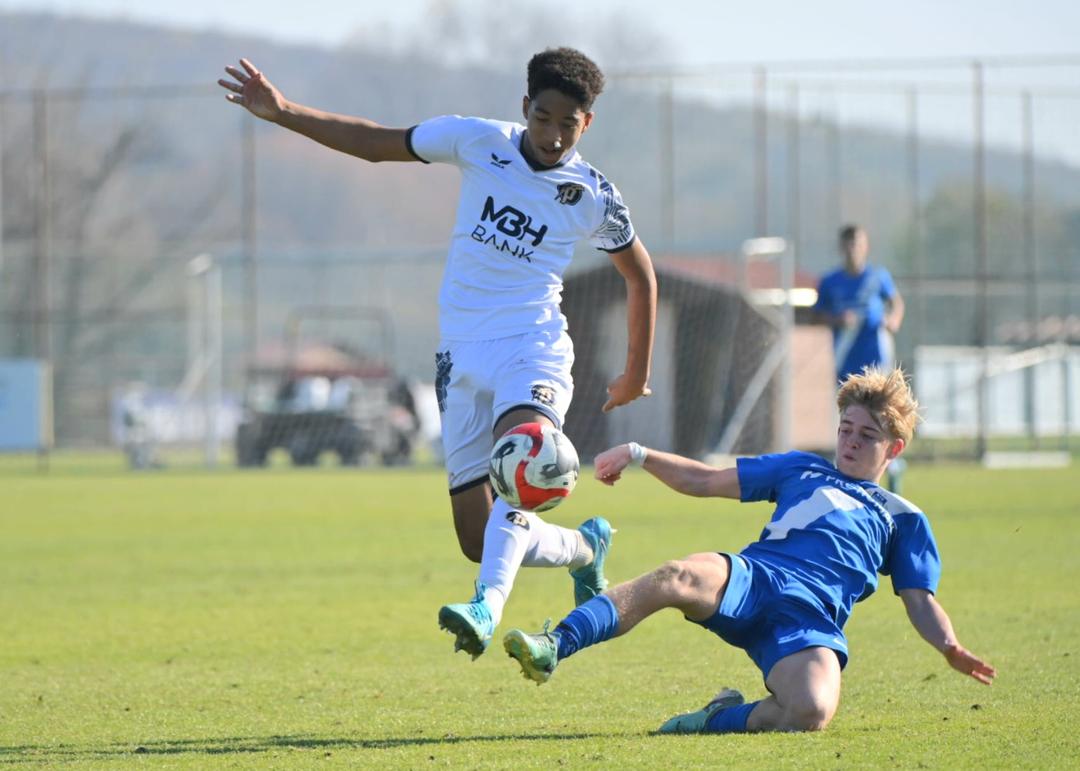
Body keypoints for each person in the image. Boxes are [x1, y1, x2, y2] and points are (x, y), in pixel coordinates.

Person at [218, 49, 657, 659]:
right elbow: (375, 144)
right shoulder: (478, 141)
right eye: (544, 117)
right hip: (459, 357)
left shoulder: (590, 193)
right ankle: (585, 549)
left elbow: (640, 275)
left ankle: (486, 608)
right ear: (524, 108)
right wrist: (284, 111)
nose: (554, 134)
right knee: (478, 539)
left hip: (531, 349)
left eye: (569, 123)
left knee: (522, 465)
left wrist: (635, 373)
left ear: (588, 124)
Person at [503, 367, 995, 734]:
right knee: (675, 574)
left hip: (811, 620)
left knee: (811, 711)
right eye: (845, 428)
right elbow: (706, 479)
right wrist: (638, 453)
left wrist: (949, 645)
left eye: (867, 436)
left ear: (895, 448)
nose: (850, 442)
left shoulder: (903, 517)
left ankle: (713, 720)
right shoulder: (801, 468)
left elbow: (920, 599)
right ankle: (555, 645)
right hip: (755, 578)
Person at [813, 224, 907, 491]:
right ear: (842, 248)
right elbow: (817, 314)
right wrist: (837, 319)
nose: (853, 249)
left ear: (866, 246)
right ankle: (847, 473)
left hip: (877, 359)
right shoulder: (830, 282)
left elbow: (896, 303)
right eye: (849, 244)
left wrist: (893, 320)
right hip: (847, 361)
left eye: (858, 243)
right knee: (850, 418)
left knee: (883, 415)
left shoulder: (878, 277)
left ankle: (893, 465)